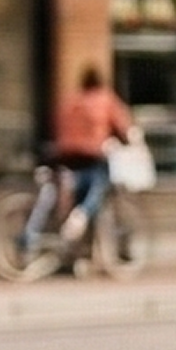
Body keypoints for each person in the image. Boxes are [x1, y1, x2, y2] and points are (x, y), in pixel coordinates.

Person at [47, 63, 135, 240]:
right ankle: (81, 217)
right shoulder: (105, 99)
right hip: (92, 154)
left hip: (66, 156)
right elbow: (122, 125)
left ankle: (80, 247)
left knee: (77, 194)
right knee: (99, 190)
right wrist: (126, 140)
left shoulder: (71, 100)